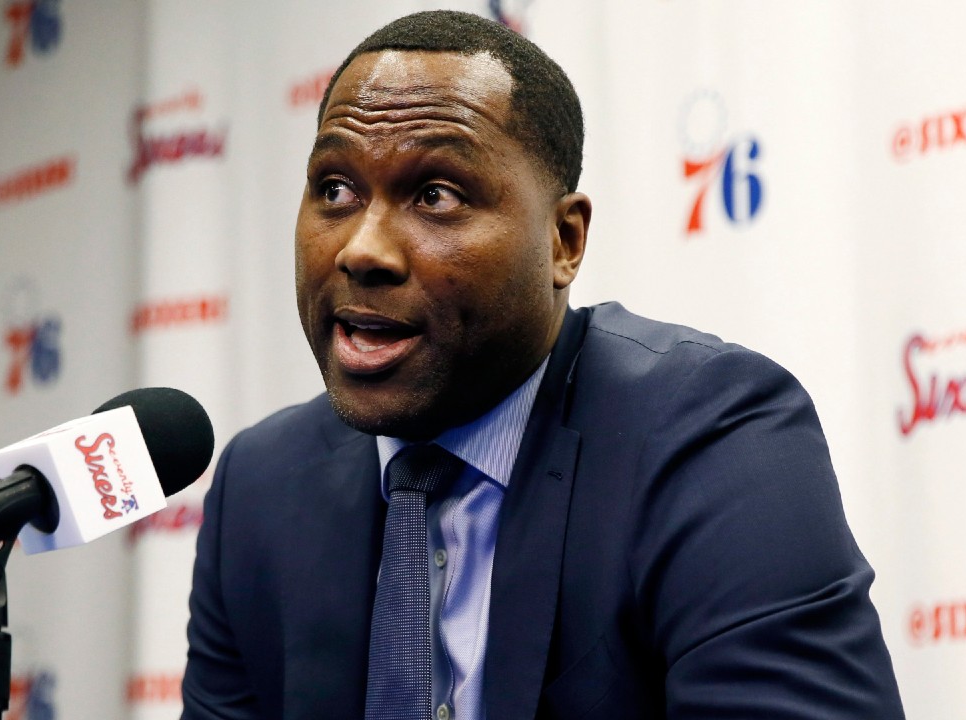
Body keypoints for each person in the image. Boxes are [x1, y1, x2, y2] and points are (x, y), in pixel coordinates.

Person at [183, 10, 904, 719]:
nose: (362, 249)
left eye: (436, 195)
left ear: (564, 241)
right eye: (335, 189)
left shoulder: (712, 440)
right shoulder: (261, 488)